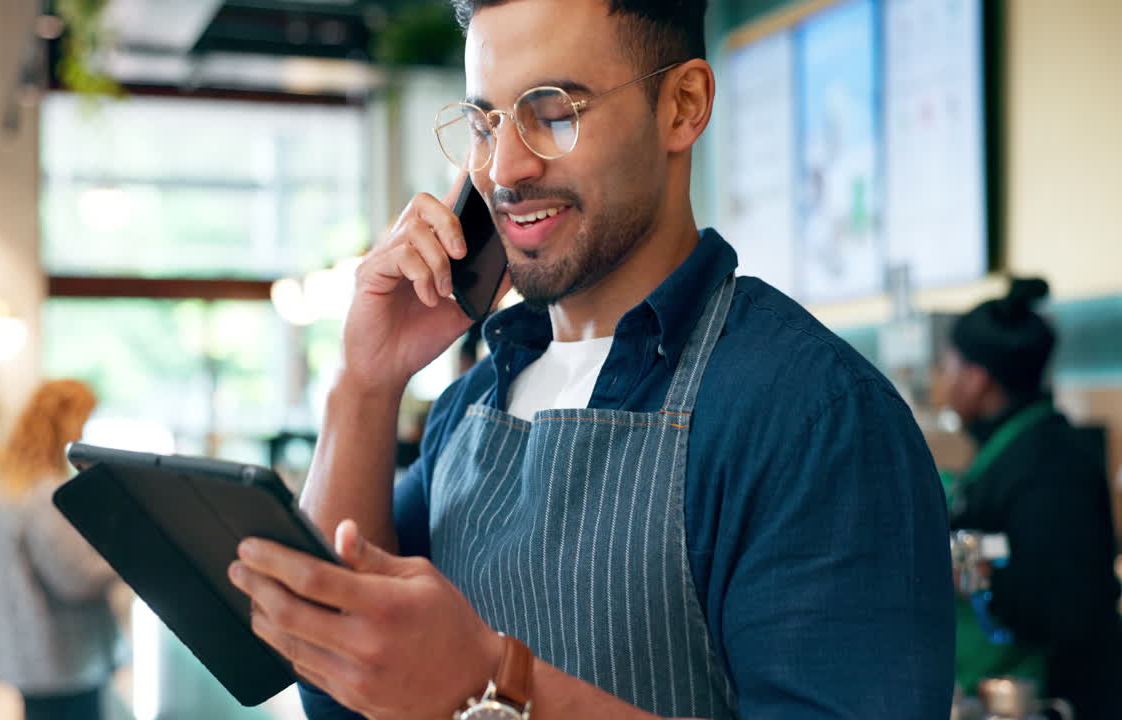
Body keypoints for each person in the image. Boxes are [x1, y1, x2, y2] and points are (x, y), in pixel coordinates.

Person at [227, 1, 953, 718]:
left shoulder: (815, 416)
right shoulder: (471, 406)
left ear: (683, 106)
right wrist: (365, 383)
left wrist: (491, 686)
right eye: (485, 125)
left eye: (553, 112)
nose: (504, 170)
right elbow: (335, 686)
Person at [940, 278, 1122, 720]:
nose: (944, 380)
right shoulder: (1014, 452)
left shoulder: (1049, 464)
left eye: (948, 366)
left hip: (1057, 698)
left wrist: (969, 572)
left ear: (976, 378)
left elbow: (1057, 599)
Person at [0, 379, 125, 720]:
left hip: (31, 647)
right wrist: (129, 555)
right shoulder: (47, 493)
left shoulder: (11, 484)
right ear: (68, 423)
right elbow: (76, 579)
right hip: (62, 655)